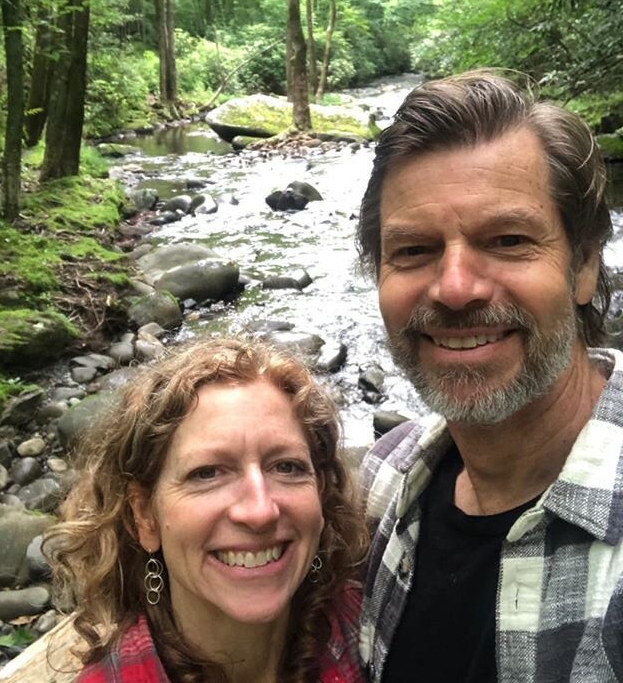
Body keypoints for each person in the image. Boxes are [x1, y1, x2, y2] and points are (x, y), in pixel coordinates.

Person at [356, 70, 623, 683]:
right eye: (414, 250)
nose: (454, 289)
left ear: (584, 265)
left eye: (506, 240)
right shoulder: (387, 480)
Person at [45, 337, 368, 683]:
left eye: (287, 467)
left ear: (320, 494)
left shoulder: (375, 631)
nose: (260, 511)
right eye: (207, 473)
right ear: (144, 517)